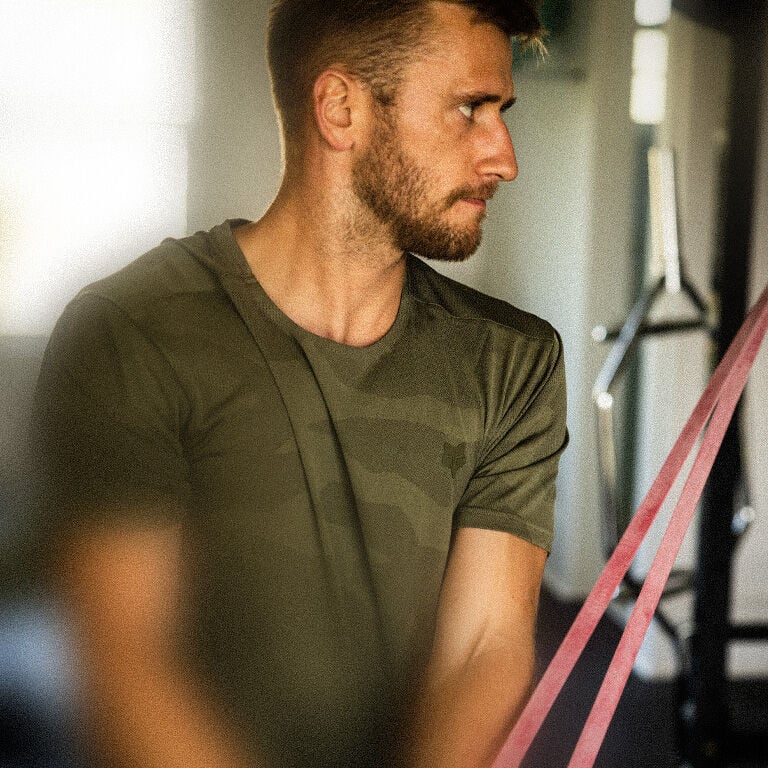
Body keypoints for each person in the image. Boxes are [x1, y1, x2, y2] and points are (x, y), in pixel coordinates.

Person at [34, 1, 567, 766]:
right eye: (470, 109)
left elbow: (482, 645)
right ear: (342, 109)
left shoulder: (512, 360)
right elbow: (128, 659)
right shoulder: (133, 331)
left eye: (501, 111)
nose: (504, 156)